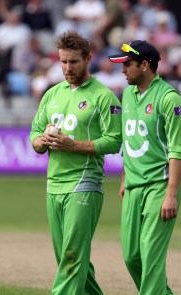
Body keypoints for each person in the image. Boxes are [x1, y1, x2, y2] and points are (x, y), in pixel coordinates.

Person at [30, 30, 122, 295]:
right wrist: (42, 140)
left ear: (88, 59)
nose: (67, 68)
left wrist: (74, 146)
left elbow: (115, 141)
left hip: (84, 184)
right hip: (54, 185)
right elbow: (34, 134)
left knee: (72, 258)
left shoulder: (103, 97)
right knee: (69, 260)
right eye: (63, 62)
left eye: (73, 62)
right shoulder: (52, 94)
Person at [108, 40, 181, 295]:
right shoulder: (128, 94)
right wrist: (124, 178)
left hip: (159, 187)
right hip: (133, 186)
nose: (123, 70)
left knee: (151, 261)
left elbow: (178, 150)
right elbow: (129, 142)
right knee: (133, 257)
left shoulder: (169, 98)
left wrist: (171, 195)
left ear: (145, 65)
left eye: (127, 65)